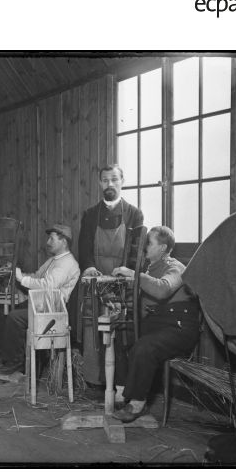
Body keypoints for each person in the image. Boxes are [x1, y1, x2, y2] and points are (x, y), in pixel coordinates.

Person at [111, 226, 200, 423]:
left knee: (145, 347)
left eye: (148, 243)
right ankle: (122, 391)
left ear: (162, 247)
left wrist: (134, 275)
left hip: (178, 327)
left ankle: (137, 403)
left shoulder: (175, 267)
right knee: (120, 331)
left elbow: (162, 290)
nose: (144, 247)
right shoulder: (149, 268)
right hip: (157, 323)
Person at [78, 164, 144, 389]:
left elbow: (136, 252)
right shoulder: (89, 214)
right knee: (92, 327)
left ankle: (121, 386)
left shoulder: (134, 214)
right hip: (96, 282)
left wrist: (126, 271)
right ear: (100, 183)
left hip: (122, 283)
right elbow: (84, 248)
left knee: (121, 330)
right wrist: (88, 267)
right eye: (105, 180)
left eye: (114, 179)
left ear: (122, 181)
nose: (110, 184)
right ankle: (95, 383)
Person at [0, 224, 80, 372]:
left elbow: (48, 286)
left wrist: (22, 279)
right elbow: (36, 276)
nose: (48, 242)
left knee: (14, 317)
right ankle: (7, 358)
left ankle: (16, 363)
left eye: (52, 239)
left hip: (54, 312)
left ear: (64, 242)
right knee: (4, 312)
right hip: (43, 306)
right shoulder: (54, 260)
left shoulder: (67, 262)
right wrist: (18, 273)